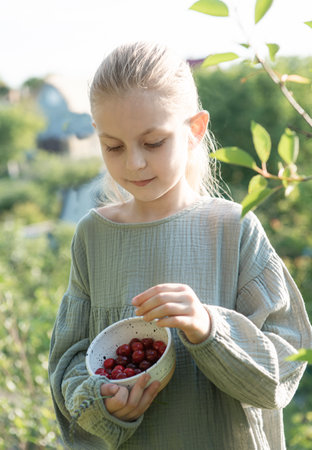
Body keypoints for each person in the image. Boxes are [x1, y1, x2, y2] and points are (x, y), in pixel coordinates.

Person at [48, 41, 312, 450]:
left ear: (194, 130)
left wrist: (210, 327)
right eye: (113, 146)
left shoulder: (233, 227)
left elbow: (284, 369)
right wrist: (105, 405)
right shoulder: (93, 237)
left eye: (153, 143)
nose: (133, 163)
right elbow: (67, 366)